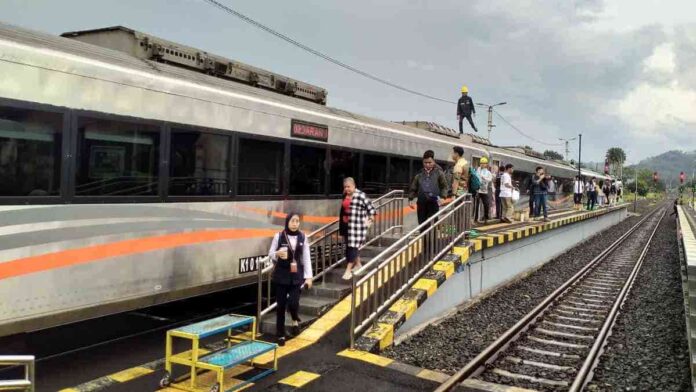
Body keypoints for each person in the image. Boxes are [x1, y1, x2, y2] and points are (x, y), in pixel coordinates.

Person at [268, 213, 313, 346]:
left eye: (297, 221)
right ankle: (280, 334)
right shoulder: (279, 236)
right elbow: (270, 254)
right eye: (292, 221)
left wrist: (308, 277)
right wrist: (277, 254)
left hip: (296, 276)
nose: (295, 224)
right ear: (287, 222)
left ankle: (294, 318)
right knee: (281, 306)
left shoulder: (303, 237)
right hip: (281, 276)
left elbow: (306, 258)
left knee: (293, 302)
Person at [339, 177, 377, 280]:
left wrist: (370, 219)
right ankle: (358, 264)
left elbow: (371, 209)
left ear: (354, 186)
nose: (347, 189)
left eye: (349, 187)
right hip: (346, 225)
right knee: (349, 247)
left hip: (357, 226)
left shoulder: (361, 195)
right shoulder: (345, 195)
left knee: (353, 247)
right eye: (345, 187)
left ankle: (348, 270)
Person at [409, 150, 448, 227]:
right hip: (421, 202)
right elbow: (414, 187)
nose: (427, 164)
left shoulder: (439, 173)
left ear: (433, 162)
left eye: (429, 162)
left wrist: (443, 197)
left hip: (434, 202)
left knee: (433, 223)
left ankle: (431, 239)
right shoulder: (419, 174)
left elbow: (444, 186)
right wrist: (410, 198)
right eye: (425, 163)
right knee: (422, 223)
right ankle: (424, 238)